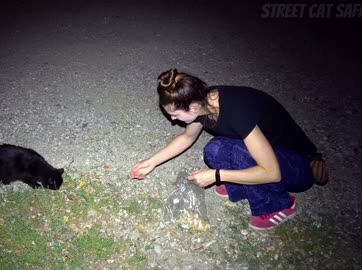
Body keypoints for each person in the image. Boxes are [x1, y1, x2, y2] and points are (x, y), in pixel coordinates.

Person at [130, 68, 328, 230]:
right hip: (273, 153)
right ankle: (242, 185)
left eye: (174, 114)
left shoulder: (236, 112)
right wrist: (151, 162)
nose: (172, 119)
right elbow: (187, 137)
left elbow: (272, 172)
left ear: (192, 108)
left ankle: (279, 205)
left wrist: (217, 175)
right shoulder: (203, 100)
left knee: (239, 153)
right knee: (214, 149)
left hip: (298, 165)